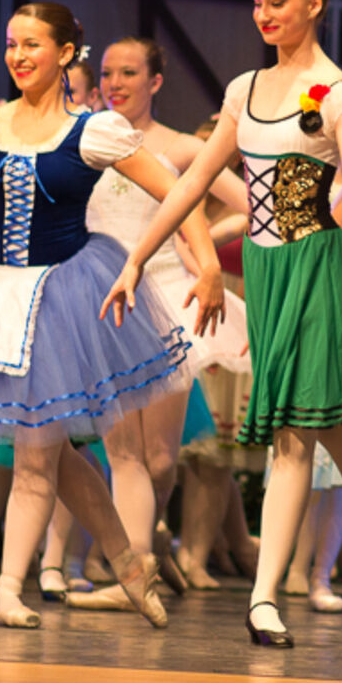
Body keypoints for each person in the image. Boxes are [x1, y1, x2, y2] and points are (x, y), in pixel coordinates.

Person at [101, 0, 342, 649]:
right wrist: (136, 256)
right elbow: (193, 182)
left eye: (278, 2)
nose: (263, 14)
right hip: (267, 271)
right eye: (257, 2)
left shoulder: (340, 95)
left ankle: (266, 598)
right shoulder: (244, 90)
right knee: (331, 430)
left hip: (317, 264)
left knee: (299, 430)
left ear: (314, 4)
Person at [0, 1, 213, 630]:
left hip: (64, 300)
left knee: (35, 457)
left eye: (32, 44)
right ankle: (130, 566)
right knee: (53, 452)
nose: (18, 56)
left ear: (65, 53)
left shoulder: (93, 132)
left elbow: (180, 191)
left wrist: (204, 262)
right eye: (11, 44)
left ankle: (8, 589)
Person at [61, 36, 253, 611]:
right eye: (108, 73)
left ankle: (147, 536)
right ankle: (135, 560)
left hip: (167, 294)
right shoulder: (87, 138)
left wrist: (198, 243)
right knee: (123, 452)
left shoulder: (181, 146)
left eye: (128, 73)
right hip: (105, 294)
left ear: (155, 81)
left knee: (162, 459)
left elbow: (251, 205)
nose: (115, 83)